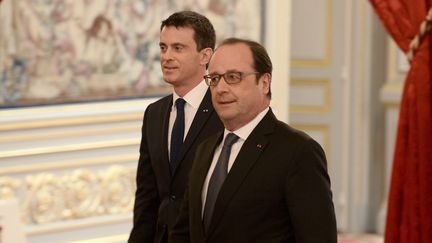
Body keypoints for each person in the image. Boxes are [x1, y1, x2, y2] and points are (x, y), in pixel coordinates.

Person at [169, 38, 337, 243]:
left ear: (264, 82)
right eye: (214, 78)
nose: (220, 88)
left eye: (233, 77)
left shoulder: (298, 152)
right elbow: (183, 233)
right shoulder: (205, 149)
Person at [128, 11, 223, 243]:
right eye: (163, 48)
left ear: (205, 56)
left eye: (178, 48)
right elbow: (147, 197)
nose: (166, 57)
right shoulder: (155, 113)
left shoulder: (223, 111)